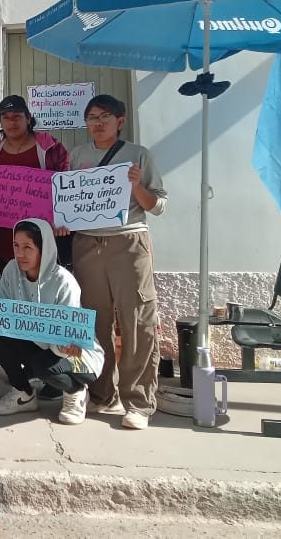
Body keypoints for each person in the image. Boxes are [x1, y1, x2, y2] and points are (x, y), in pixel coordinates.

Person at [62, 94, 168, 430]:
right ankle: (102, 393)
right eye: (91, 117)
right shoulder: (77, 154)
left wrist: (137, 186)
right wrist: (64, 216)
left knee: (137, 319)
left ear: (120, 120)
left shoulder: (138, 155)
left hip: (128, 242)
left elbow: (158, 206)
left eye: (104, 116)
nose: (97, 122)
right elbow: (69, 198)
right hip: (87, 244)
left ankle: (138, 401)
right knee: (94, 321)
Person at [0, 218, 104, 425]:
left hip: (77, 354)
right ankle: (24, 393)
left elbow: (71, 333)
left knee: (43, 366)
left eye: (28, 247)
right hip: (39, 344)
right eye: (16, 245)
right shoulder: (12, 270)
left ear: (44, 248)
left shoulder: (63, 281)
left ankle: (76, 392)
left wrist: (65, 348)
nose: (20, 254)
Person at [0, 95, 69, 271]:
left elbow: (66, 184)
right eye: (5, 117)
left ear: (28, 118)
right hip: (3, 237)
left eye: (17, 116)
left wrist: (63, 218)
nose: (11, 122)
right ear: (0, 122)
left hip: (42, 236)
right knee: (12, 292)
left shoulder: (51, 148)